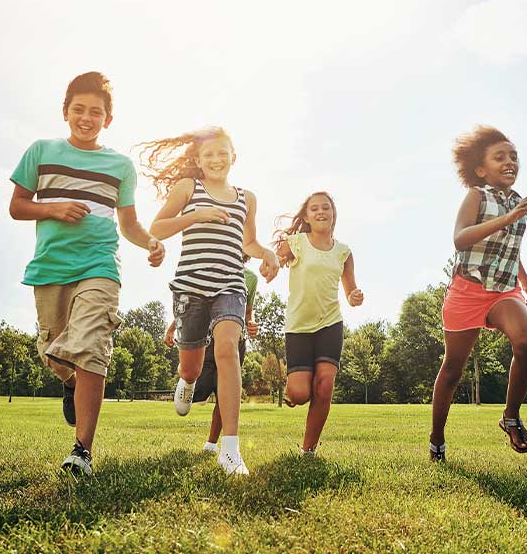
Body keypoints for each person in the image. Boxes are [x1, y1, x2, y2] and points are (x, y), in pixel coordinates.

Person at [9, 71, 165, 477]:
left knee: (92, 346)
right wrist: (53, 208)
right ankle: (69, 381)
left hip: (100, 265)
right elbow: (18, 206)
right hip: (50, 268)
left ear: (107, 119)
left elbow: (129, 223)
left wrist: (149, 242)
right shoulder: (41, 152)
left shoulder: (119, 166)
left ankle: (82, 451)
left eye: (96, 112)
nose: (86, 117)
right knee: (54, 352)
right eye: (79, 109)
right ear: (66, 112)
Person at [140, 126, 279, 475]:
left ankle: (230, 450)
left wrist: (268, 255)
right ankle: (186, 382)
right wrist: (197, 215)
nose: (216, 159)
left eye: (223, 153)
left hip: (230, 285)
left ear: (234, 156)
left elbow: (248, 244)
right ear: (198, 160)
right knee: (192, 366)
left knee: (228, 349)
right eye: (209, 154)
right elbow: (157, 229)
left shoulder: (247, 198)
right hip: (191, 286)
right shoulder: (188, 188)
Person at [429, 125, 527, 460]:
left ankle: (511, 416)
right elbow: (461, 238)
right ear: (481, 169)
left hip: (504, 290)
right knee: (452, 369)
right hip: (468, 290)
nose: (510, 161)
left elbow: (510, 249)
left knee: (526, 342)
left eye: (513, 156)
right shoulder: (478, 195)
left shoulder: (518, 203)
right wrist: (507, 218)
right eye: (500, 157)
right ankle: (437, 438)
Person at [274, 192, 363, 455]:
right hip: (299, 326)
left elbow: (350, 291)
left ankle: (308, 450)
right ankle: (299, 387)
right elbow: (275, 260)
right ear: (306, 216)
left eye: (326, 207)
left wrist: (354, 296)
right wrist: (270, 267)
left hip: (330, 323)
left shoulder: (343, 252)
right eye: (315, 208)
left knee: (325, 385)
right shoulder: (297, 242)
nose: (321, 211)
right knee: (300, 394)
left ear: (334, 214)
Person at [163, 256, 258, 453]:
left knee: (225, 391)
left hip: (235, 342)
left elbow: (248, 311)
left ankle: (212, 443)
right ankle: (186, 378)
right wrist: (172, 329)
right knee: (199, 386)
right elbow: (195, 307)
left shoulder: (250, 278)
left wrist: (252, 322)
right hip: (208, 340)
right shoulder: (214, 266)